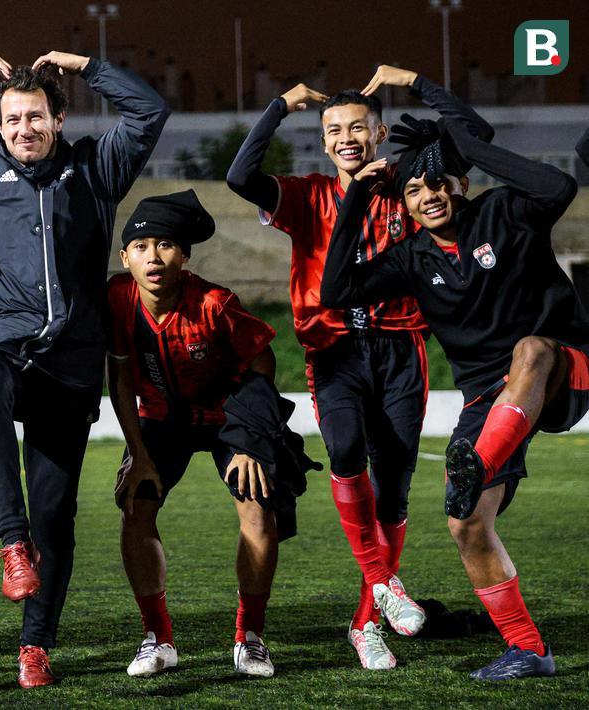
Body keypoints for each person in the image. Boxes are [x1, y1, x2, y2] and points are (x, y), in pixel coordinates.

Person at [0, 50, 169, 687]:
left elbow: (149, 110)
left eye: (36, 116)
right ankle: (11, 544)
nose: (25, 128)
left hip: (70, 364)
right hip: (0, 340)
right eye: (14, 118)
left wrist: (85, 63)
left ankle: (35, 645)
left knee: (56, 513)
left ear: (59, 116)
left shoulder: (96, 167)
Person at [225, 64, 494, 669]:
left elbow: (476, 133)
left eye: (358, 127)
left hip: (402, 349)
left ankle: (366, 622)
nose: (347, 137)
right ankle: (382, 584)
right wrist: (279, 108)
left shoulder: (407, 183)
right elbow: (239, 174)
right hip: (334, 349)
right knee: (345, 454)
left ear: (376, 133)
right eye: (334, 129)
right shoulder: (306, 195)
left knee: (394, 489)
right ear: (323, 141)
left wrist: (418, 82)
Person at [321, 105, 581, 680]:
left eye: (438, 182)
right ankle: (527, 650)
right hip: (488, 401)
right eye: (413, 189)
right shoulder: (412, 258)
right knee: (466, 524)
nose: (428, 196)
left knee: (532, 349)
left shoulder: (504, 211)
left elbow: (560, 185)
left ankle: (477, 464)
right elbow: (338, 288)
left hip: (562, 369)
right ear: (404, 203)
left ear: (461, 183)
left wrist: (467, 144)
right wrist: (358, 200)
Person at [108, 191, 284, 679]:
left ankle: (250, 637)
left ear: (184, 256)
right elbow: (120, 377)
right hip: (162, 417)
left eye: (165, 245)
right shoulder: (118, 298)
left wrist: (250, 438)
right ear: (126, 258)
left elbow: (262, 359)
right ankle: (157, 638)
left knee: (258, 508)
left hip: (228, 415)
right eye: (140, 246)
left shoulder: (214, 301)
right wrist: (138, 454)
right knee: (135, 507)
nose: (153, 256)